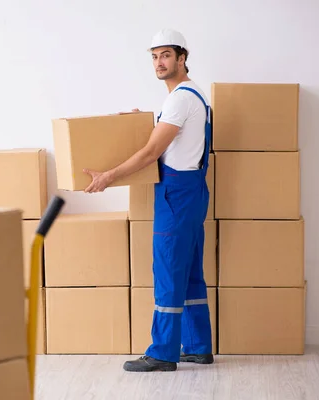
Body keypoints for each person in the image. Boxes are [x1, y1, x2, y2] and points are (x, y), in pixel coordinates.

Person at [83, 28, 213, 372]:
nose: (159, 62)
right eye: (154, 56)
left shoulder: (180, 98)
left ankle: (162, 353)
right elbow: (168, 143)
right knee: (189, 274)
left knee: (169, 270)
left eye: (166, 55)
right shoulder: (192, 96)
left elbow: (152, 151)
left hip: (177, 195)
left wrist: (108, 176)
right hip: (192, 191)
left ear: (182, 58)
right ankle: (198, 346)